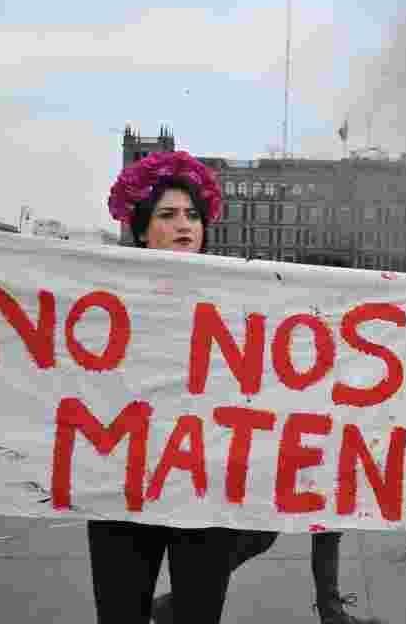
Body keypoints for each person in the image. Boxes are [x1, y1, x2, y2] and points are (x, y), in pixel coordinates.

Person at [94, 150, 280, 624]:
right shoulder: (100, 295)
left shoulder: (238, 300)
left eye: (193, 215)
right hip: (123, 487)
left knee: (199, 614)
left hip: (203, 486)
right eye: (168, 215)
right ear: (140, 228)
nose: (184, 225)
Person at [150, 258, 386, 624]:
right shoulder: (294, 327)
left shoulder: (340, 332)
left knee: (327, 525)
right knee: (262, 534)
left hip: (321, 444)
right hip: (284, 446)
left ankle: (330, 611)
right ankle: (184, 598)